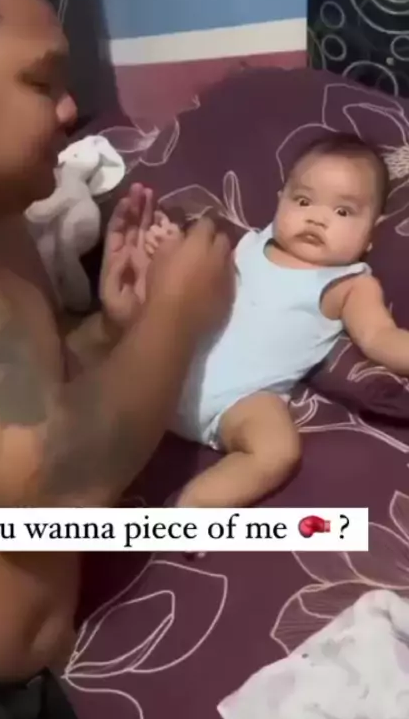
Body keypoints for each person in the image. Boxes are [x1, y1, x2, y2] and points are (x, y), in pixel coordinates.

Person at [0, 0, 234, 719]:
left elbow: (31, 411)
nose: (70, 110)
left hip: (21, 695)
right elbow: (53, 481)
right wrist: (178, 315)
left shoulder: (0, 225)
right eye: (41, 82)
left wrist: (112, 329)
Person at [143, 132, 409, 508]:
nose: (317, 217)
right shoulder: (246, 244)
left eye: (343, 212)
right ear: (279, 201)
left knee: (277, 451)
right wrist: (166, 250)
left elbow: (380, 336)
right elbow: (190, 283)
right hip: (169, 369)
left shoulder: (349, 284)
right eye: (303, 201)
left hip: (240, 404)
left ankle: (196, 506)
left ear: (372, 234)